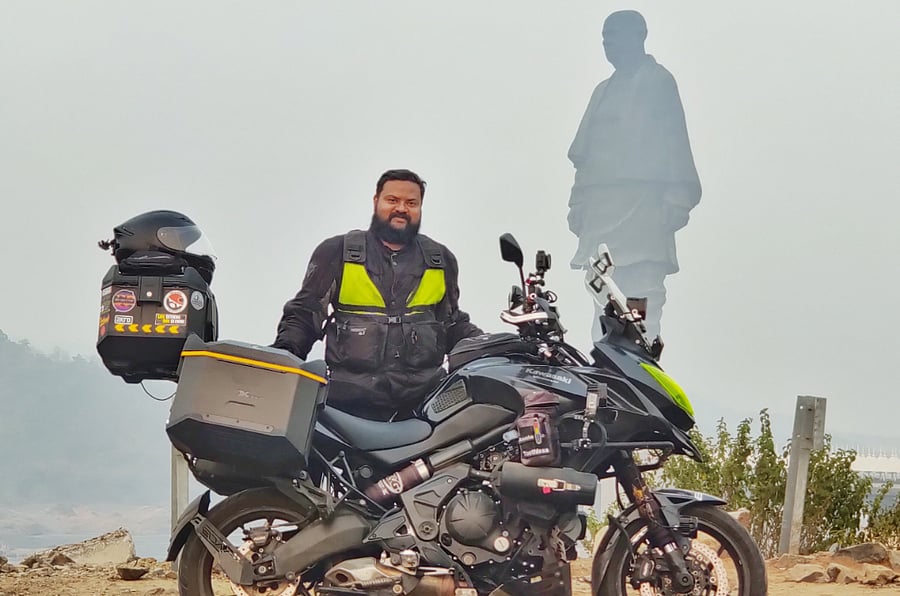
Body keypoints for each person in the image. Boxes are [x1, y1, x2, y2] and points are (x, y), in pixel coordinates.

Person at [273, 169, 483, 420]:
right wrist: (283, 355)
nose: (401, 209)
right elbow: (305, 315)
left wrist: (491, 347)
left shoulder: (440, 260)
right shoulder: (338, 252)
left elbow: (452, 323)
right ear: (376, 201)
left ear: (420, 207)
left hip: (423, 407)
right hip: (348, 407)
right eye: (392, 200)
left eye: (411, 203)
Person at [567, 10, 701, 340]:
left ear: (638, 36)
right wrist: (578, 203)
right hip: (602, 209)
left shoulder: (658, 80)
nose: (607, 45)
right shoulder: (602, 91)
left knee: (642, 295)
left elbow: (675, 143)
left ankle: (638, 366)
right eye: (603, 39)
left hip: (643, 207)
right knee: (604, 296)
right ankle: (606, 365)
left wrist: (676, 202)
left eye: (613, 37)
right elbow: (585, 158)